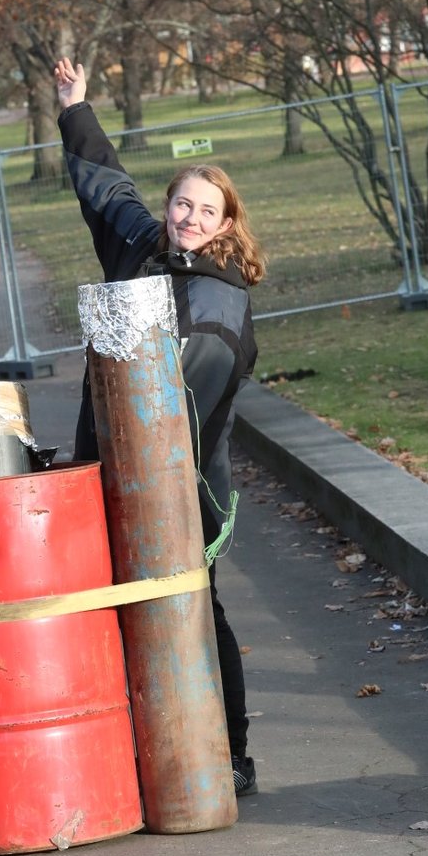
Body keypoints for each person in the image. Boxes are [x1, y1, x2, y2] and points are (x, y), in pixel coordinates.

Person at [54, 55, 266, 797]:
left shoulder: (221, 307)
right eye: (183, 205)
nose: (190, 220)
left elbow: (178, 404)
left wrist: (139, 482)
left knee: (192, 608)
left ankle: (230, 753)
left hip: (184, 488)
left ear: (226, 224)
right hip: (105, 471)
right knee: (112, 608)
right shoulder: (142, 250)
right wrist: (75, 110)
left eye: (207, 212)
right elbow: (107, 190)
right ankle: (134, 751)